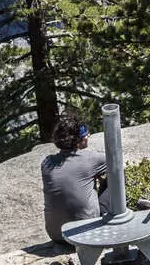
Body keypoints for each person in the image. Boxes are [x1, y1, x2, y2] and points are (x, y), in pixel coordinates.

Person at [40, 106, 109, 247]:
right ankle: (111, 222)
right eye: (86, 133)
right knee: (114, 179)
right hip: (85, 233)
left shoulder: (46, 163)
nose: (88, 136)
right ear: (80, 139)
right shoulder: (92, 159)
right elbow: (117, 165)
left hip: (57, 235)